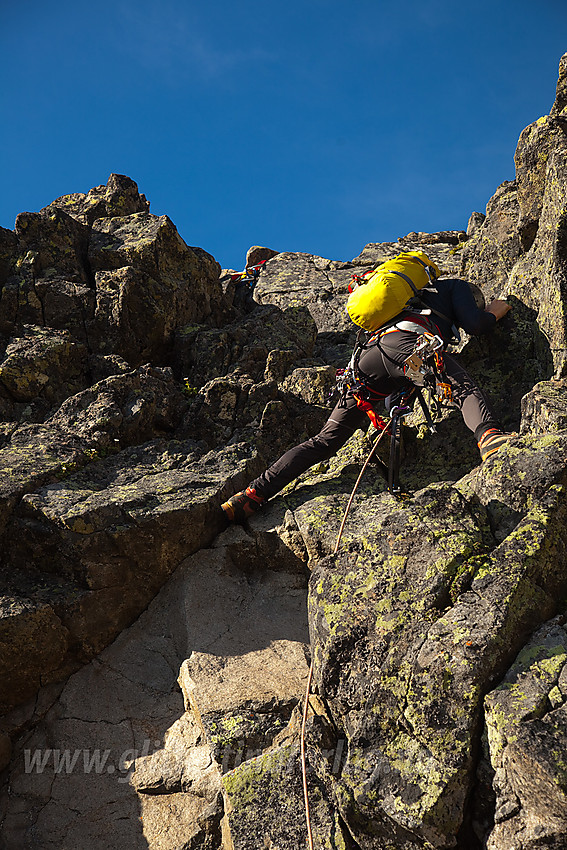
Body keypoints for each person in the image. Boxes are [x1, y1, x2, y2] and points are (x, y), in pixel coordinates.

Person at [221, 278, 512, 523]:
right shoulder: (455, 287)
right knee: (461, 386)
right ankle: (490, 438)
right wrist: (496, 311)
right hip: (407, 346)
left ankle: (253, 494)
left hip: (365, 362)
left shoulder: (409, 300)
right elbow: (476, 325)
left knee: (324, 441)